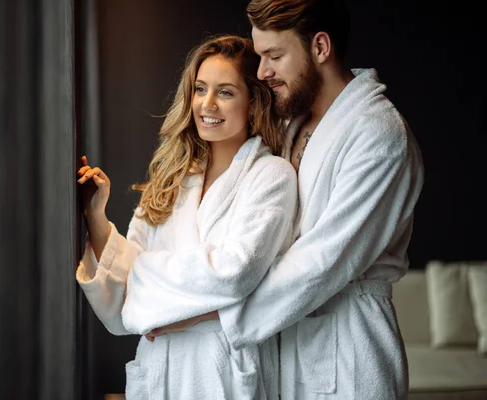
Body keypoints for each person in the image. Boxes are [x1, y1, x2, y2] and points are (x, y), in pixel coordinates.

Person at [145, 1, 425, 399]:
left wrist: (197, 312)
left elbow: (322, 263)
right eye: (260, 57)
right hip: (284, 342)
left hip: (349, 351)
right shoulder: (291, 121)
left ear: (321, 48)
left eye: (274, 56)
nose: (262, 72)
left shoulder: (379, 136)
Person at [76, 34, 298, 399]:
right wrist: (95, 215)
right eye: (200, 89)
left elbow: (235, 273)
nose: (207, 104)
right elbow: (123, 288)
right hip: (160, 369)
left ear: (253, 101)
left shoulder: (271, 177)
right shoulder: (171, 179)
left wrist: (160, 302)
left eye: (225, 92)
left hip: (223, 373)